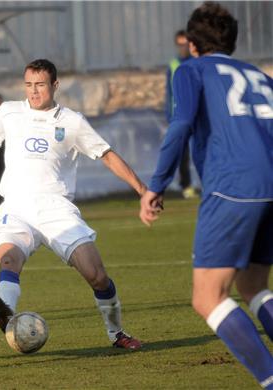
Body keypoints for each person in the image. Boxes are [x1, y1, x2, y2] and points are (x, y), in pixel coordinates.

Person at [0, 59, 145, 350]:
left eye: (40, 85)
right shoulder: (9, 112)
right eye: (29, 85)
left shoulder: (72, 121)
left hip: (56, 209)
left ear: (54, 86)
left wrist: (142, 190)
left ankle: (117, 333)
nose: (34, 92)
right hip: (17, 207)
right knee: (8, 259)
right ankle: (5, 314)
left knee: (97, 276)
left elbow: (106, 155)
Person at [140, 2, 273, 388]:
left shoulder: (191, 69)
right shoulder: (259, 74)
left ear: (192, 45)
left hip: (234, 186)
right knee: (253, 285)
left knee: (208, 297)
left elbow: (180, 125)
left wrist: (156, 185)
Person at [165, 30, 198, 199]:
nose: (183, 48)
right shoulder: (173, 64)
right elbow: (168, 93)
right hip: (179, 116)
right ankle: (186, 186)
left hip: (198, 114)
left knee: (202, 149)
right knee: (182, 154)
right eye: (180, 44)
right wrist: (168, 115)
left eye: (185, 44)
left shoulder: (197, 62)